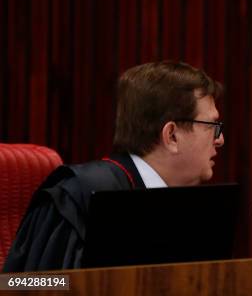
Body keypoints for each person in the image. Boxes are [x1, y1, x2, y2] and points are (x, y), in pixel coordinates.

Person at [3, 61, 224, 271]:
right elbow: (26, 286)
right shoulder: (78, 195)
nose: (220, 138)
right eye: (212, 126)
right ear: (172, 135)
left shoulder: (186, 210)